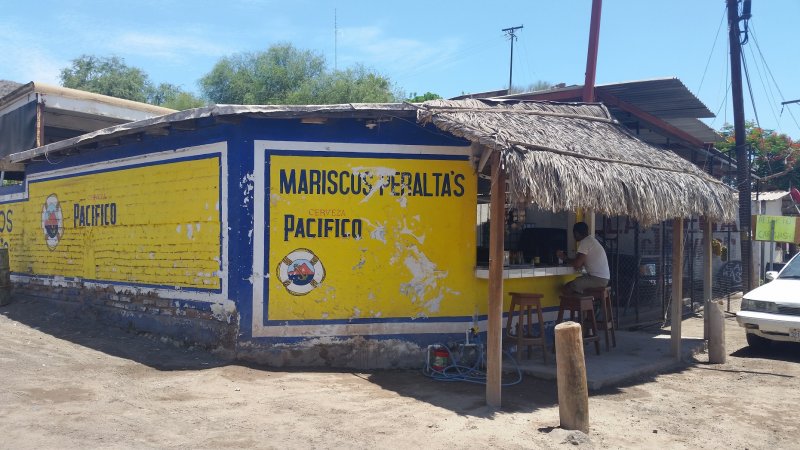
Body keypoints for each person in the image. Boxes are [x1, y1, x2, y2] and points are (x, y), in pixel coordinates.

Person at [557, 222, 610, 294]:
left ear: (576, 233)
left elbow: (577, 264)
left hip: (597, 280)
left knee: (567, 288)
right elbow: (580, 263)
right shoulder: (591, 240)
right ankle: (580, 304)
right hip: (602, 279)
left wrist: (564, 258)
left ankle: (578, 305)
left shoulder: (585, 242)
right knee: (576, 286)